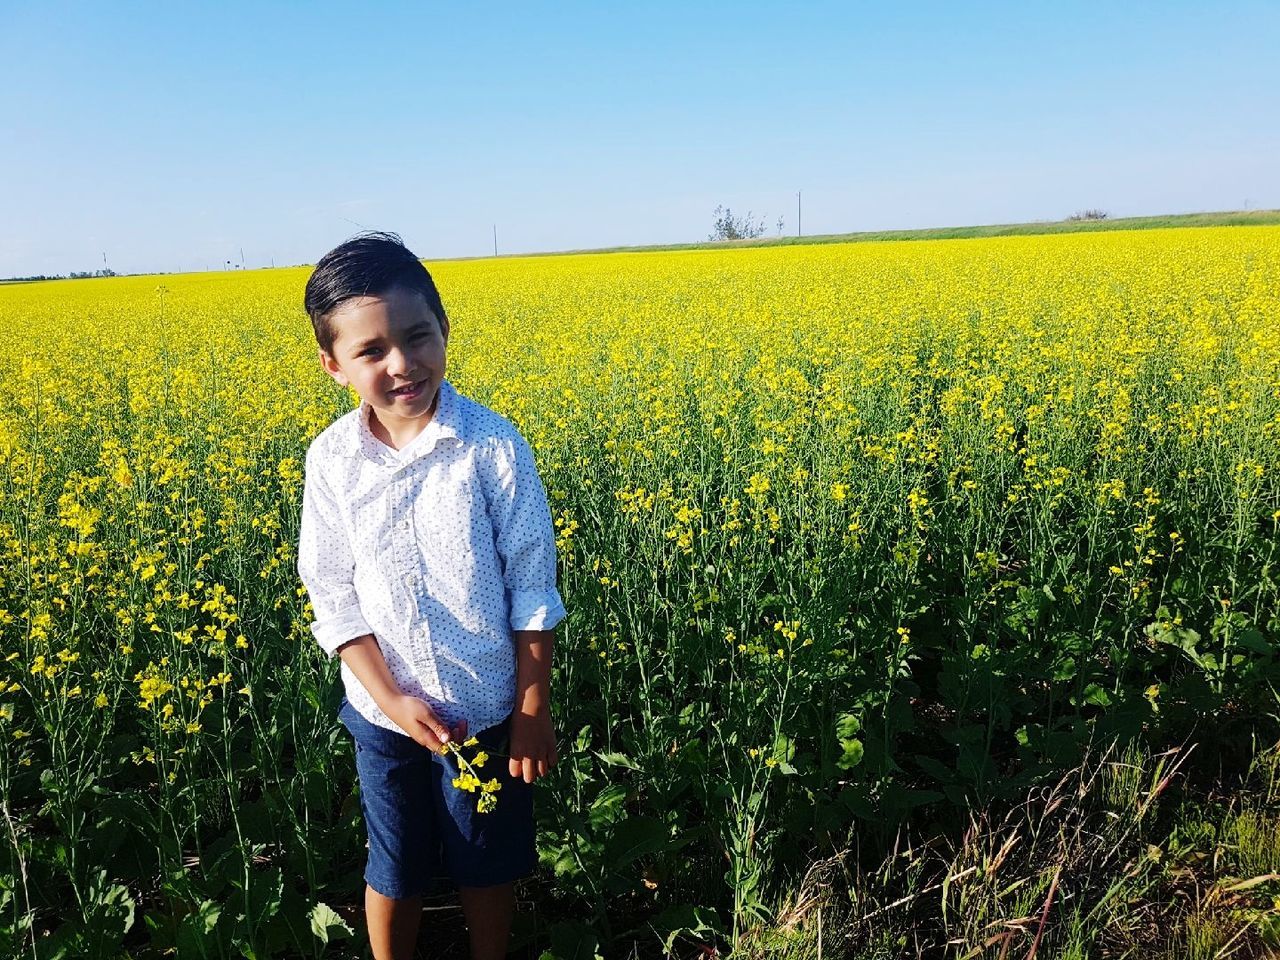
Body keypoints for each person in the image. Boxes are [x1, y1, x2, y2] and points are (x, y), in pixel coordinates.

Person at [297, 232, 565, 960]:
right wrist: (391, 702)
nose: (402, 363)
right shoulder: (332, 461)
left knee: (487, 863)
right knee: (396, 867)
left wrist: (532, 710)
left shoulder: (493, 446)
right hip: (385, 722)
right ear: (333, 365)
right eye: (372, 350)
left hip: (486, 712)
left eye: (418, 337)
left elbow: (532, 590)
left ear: (445, 330)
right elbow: (332, 594)